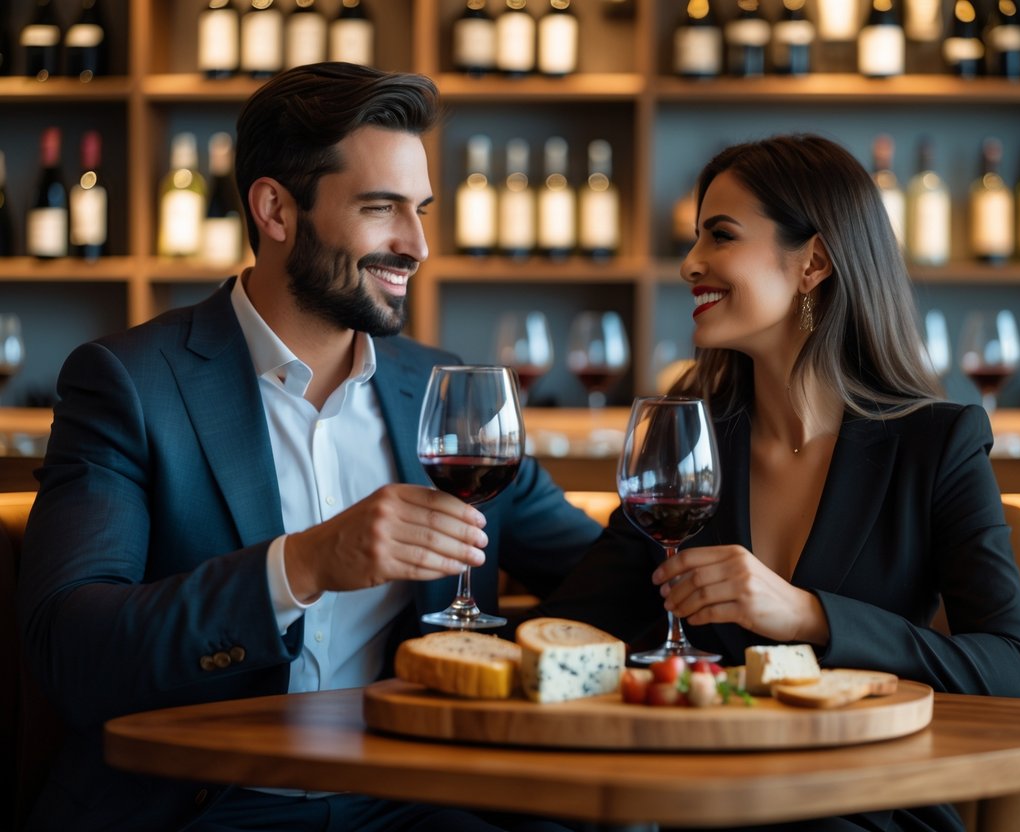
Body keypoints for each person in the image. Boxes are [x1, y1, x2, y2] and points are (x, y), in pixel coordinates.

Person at [17, 62, 601, 832]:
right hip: (208, 804)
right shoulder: (128, 383)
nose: (417, 244)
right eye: (381, 208)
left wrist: (802, 609)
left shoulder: (447, 392)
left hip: (412, 804)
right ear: (275, 210)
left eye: (421, 209)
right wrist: (305, 564)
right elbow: (73, 651)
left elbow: (603, 576)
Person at [529, 134, 1020, 832]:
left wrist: (809, 616)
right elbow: (573, 630)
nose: (689, 265)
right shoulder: (689, 442)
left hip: (862, 809)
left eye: (719, 236)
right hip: (694, 810)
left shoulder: (935, 443)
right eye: (694, 238)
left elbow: (1012, 674)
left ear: (814, 262)